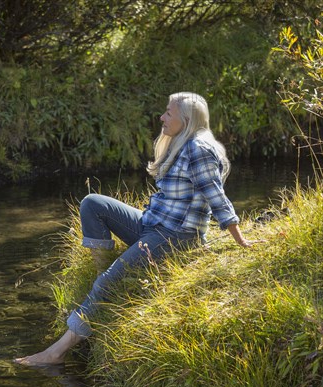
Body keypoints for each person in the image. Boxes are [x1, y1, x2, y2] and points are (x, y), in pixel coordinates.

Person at [14, 92, 259, 366]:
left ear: (186, 120)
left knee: (107, 282)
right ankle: (104, 280)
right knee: (93, 204)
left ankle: (55, 352)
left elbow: (217, 198)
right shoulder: (180, 143)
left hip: (175, 237)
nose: (162, 117)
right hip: (150, 225)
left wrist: (241, 240)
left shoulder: (198, 150)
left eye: (169, 113)